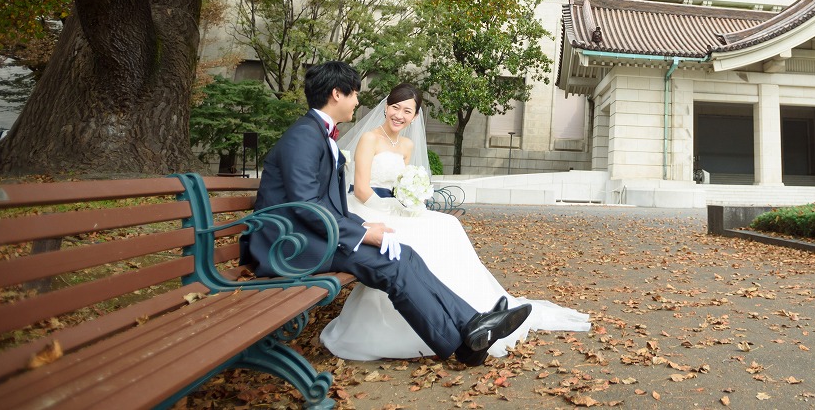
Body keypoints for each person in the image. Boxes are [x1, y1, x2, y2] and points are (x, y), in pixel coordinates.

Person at [243, 61, 531, 366]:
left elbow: (325, 205)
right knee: (391, 267)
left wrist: (364, 224)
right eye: (354, 94)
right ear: (336, 94)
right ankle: (465, 344)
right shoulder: (304, 136)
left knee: (404, 255)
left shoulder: (317, 133)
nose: (357, 101)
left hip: (312, 234)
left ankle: (472, 325)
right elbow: (306, 205)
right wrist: (363, 233)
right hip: (290, 245)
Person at [319, 82, 590, 360]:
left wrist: (411, 199)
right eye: (395, 107)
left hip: (395, 206)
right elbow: (362, 190)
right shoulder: (369, 138)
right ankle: (459, 319)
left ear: (415, 116)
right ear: (386, 107)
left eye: (407, 111)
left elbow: (402, 185)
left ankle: (476, 309)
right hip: (368, 209)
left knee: (450, 226)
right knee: (428, 232)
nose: (399, 115)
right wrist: (395, 207)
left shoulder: (407, 145)